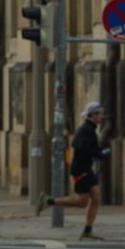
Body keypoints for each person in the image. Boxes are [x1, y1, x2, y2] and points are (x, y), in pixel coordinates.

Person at [48, 101, 109, 240]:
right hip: (81, 169)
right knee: (82, 202)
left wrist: (98, 152)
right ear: (93, 114)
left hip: (86, 168)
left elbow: (83, 145)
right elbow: (81, 146)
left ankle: (88, 230)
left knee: (97, 198)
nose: (102, 117)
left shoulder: (88, 129)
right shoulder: (86, 129)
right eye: (100, 114)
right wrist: (99, 154)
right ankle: (49, 201)